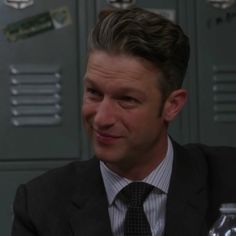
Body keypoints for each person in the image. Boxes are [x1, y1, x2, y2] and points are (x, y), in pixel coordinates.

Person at [12, 7, 236, 236]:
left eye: (127, 99)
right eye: (94, 93)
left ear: (172, 105)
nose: (101, 118)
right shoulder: (40, 205)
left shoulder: (228, 179)